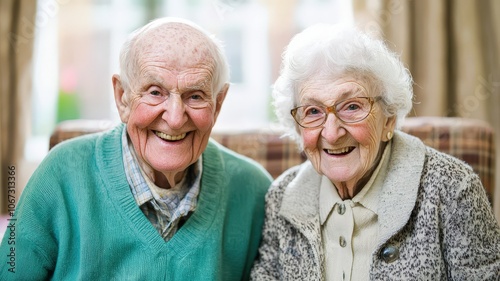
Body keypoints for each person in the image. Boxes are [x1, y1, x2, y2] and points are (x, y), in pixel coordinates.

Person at [0, 17, 272, 280]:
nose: (175, 118)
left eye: (196, 96)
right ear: (122, 98)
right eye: (155, 92)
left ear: (219, 103)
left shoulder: (253, 191)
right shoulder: (60, 174)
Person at [250, 23, 500, 280]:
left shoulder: (452, 188)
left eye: (352, 107)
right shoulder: (281, 198)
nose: (332, 133)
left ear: (389, 119)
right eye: (313, 111)